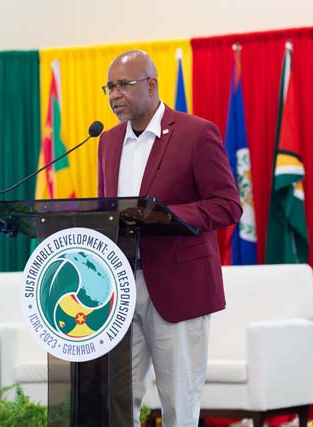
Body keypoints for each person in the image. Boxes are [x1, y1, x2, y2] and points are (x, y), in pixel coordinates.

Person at [97, 50, 242, 427]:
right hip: (120, 290)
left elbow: (228, 205)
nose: (114, 95)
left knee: (179, 405)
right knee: (115, 402)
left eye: (123, 85)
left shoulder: (196, 133)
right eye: (109, 88)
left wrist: (168, 216)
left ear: (152, 85)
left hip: (178, 288)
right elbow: (105, 211)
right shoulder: (107, 142)